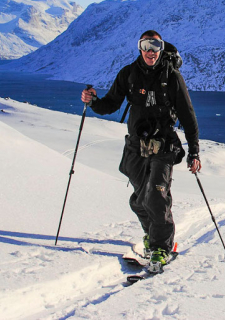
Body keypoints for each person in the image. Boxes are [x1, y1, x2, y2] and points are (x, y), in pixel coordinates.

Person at [81, 30, 201, 271]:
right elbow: (110, 105)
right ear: (139, 47)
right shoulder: (129, 74)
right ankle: (152, 236)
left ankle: (161, 248)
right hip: (136, 146)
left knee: (156, 197)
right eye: (146, 45)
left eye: (155, 46)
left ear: (161, 48)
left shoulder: (172, 77)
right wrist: (93, 101)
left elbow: (188, 116)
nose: (150, 51)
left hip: (163, 146)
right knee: (139, 201)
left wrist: (194, 152)